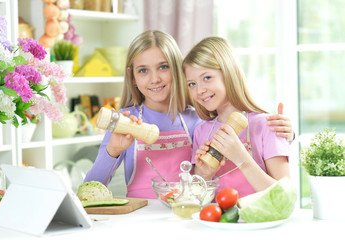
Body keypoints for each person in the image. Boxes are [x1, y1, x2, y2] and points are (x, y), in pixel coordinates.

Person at [84, 30, 293, 199]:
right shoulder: (124, 120)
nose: (154, 78)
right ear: (132, 77)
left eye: (163, 67)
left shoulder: (198, 120)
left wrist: (285, 135)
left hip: (184, 214)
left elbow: (202, 182)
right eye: (143, 70)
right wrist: (113, 150)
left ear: (177, 71)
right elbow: (89, 189)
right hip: (140, 214)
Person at [183, 36, 291, 198]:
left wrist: (241, 158)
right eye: (192, 84)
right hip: (216, 222)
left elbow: (285, 196)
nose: (199, 91)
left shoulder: (267, 125)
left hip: (259, 222)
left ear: (229, 73)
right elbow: (196, 198)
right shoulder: (201, 132)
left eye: (207, 78)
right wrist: (204, 174)